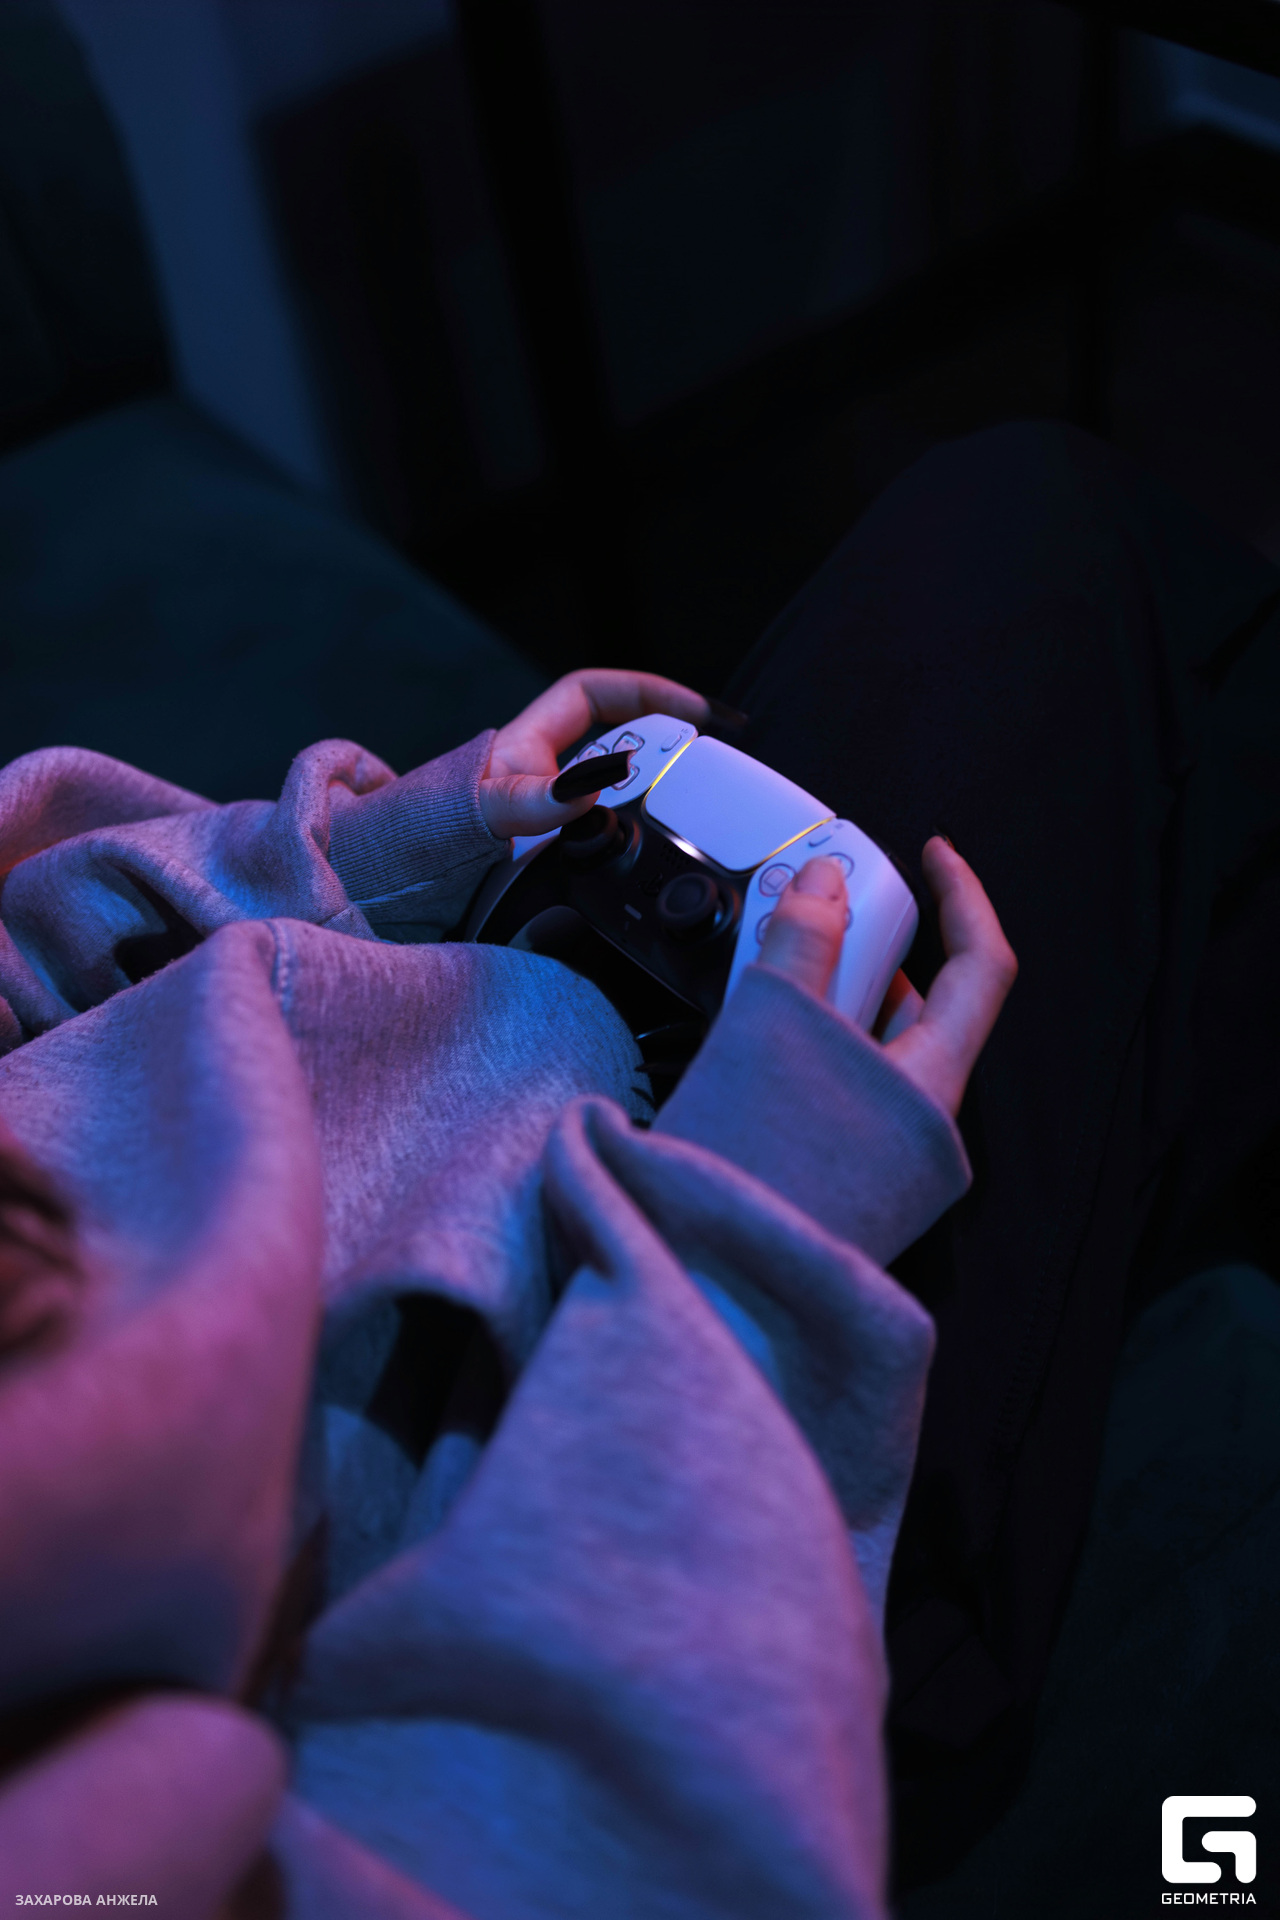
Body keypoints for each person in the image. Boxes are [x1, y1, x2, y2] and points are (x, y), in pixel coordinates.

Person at [0, 417, 1276, 1916]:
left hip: (533, 1040)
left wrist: (350, 868)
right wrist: (760, 1245)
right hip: (664, 1526)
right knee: (1034, 544)